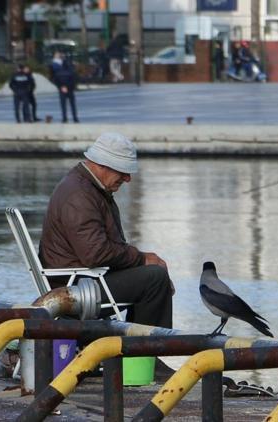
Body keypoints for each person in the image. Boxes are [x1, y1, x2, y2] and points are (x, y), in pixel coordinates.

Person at [39, 133, 174, 329]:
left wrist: (141, 262)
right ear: (102, 165)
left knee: (151, 274)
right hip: (77, 286)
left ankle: (137, 352)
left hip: (80, 280)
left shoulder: (84, 187)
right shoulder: (80, 195)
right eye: (123, 171)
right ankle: (145, 352)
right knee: (155, 278)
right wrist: (142, 259)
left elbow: (100, 250)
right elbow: (95, 253)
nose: (127, 178)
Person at [50, 52, 79, 123]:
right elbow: (74, 80)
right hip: (70, 90)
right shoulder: (71, 71)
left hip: (62, 90)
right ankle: (75, 118)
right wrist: (70, 87)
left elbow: (56, 80)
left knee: (63, 105)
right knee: (72, 105)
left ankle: (64, 118)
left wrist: (61, 87)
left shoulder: (58, 72)